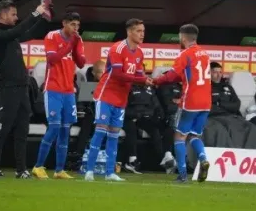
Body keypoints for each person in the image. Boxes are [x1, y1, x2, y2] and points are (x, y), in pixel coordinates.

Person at [0, 0, 50, 178]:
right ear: (3, 15)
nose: (16, 18)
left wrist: (45, 18)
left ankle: (21, 169)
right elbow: (19, 30)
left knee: (22, 130)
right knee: (3, 128)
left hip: (22, 88)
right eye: (14, 14)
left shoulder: (11, 34)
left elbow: (29, 32)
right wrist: (36, 13)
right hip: (7, 89)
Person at [84, 19, 150, 182]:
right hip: (106, 95)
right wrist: (142, 80)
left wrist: (149, 79)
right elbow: (118, 74)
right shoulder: (117, 49)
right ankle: (89, 171)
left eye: (143, 31)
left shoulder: (140, 53)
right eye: (138, 31)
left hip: (121, 98)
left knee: (114, 135)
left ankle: (109, 172)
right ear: (129, 32)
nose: (142, 34)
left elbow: (139, 74)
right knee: (100, 132)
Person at [154, 24, 212, 183]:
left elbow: (172, 75)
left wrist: (157, 81)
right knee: (194, 134)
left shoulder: (185, 54)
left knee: (179, 136)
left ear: (183, 38)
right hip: (206, 101)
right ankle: (203, 159)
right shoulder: (205, 54)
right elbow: (189, 75)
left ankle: (182, 175)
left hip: (191, 101)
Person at [32, 12, 86, 179]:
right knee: (54, 126)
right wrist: (70, 45)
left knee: (65, 130)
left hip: (69, 90)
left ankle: (59, 170)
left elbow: (81, 63)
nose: (75, 29)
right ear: (64, 23)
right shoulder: (52, 36)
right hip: (53, 88)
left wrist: (75, 44)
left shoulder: (77, 39)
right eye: (72, 25)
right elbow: (53, 59)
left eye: (77, 26)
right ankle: (38, 166)